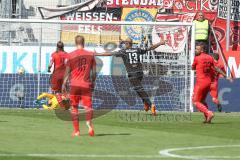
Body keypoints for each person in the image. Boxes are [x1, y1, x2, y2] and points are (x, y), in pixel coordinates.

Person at [96, 38, 166, 116]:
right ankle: (145, 103)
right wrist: (160, 43)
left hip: (132, 74)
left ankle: (150, 104)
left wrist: (97, 54)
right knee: (138, 89)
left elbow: (110, 53)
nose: (124, 45)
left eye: (125, 43)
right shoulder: (137, 49)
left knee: (140, 89)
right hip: (140, 73)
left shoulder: (123, 51)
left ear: (127, 44)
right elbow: (150, 48)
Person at [62, 35, 96, 137]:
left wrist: (63, 84)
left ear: (75, 43)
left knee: (74, 108)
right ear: (84, 42)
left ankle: (76, 131)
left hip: (74, 85)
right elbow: (93, 73)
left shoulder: (70, 55)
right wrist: (93, 83)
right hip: (86, 84)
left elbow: (67, 72)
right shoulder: (91, 54)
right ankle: (89, 123)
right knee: (88, 107)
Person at [192, 43, 214, 123]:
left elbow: (192, 67)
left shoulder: (197, 58)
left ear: (202, 50)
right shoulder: (210, 57)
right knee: (202, 101)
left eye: (197, 49)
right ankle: (207, 118)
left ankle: (209, 113)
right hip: (208, 82)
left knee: (195, 101)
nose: (195, 50)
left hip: (201, 82)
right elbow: (213, 68)